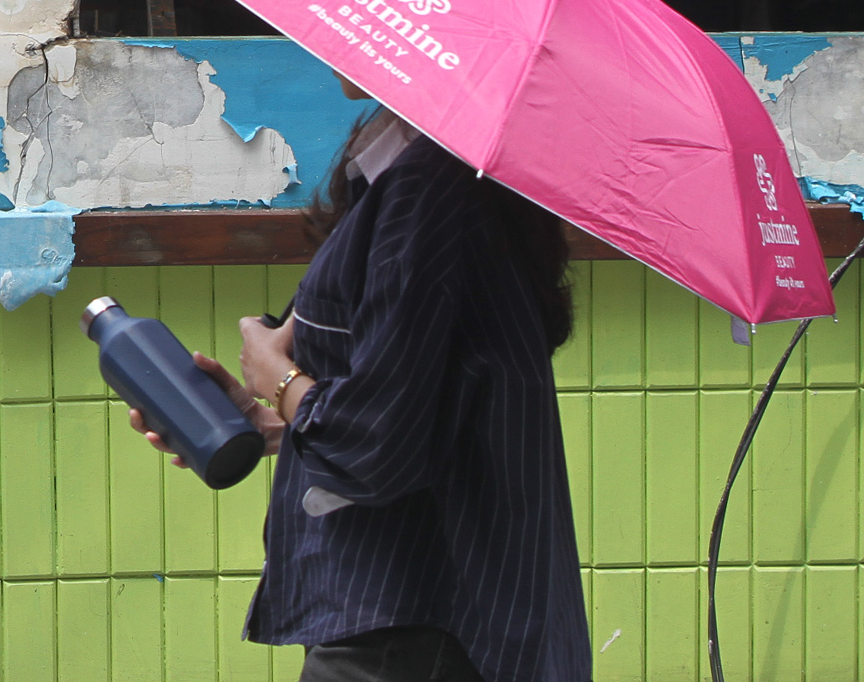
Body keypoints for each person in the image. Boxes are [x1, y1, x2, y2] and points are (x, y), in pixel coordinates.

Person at [131, 79, 590, 682]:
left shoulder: (432, 185)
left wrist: (280, 377)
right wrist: (270, 421)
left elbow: (376, 446)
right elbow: (419, 394)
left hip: (411, 623)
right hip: (409, 616)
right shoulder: (413, 167)